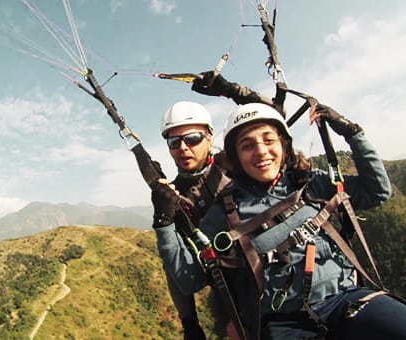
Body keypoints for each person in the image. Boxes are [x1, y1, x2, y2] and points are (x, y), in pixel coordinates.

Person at [153, 100, 406, 339]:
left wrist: (352, 133)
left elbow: (377, 192)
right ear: (236, 156)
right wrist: (164, 221)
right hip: (283, 322)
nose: (261, 151)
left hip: (346, 299)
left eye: (268, 140)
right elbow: (190, 279)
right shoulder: (223, 213)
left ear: (283, 144)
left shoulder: (310, 183)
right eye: (247, 145)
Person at [151, 101, 231, 339]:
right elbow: (177, 270)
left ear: (209, 137)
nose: (183, 148)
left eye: (193, 138)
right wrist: (189, 322)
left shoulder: (234, 165)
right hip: (227, 293)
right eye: (174, 142)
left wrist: (231, 90)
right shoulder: (173, 196)